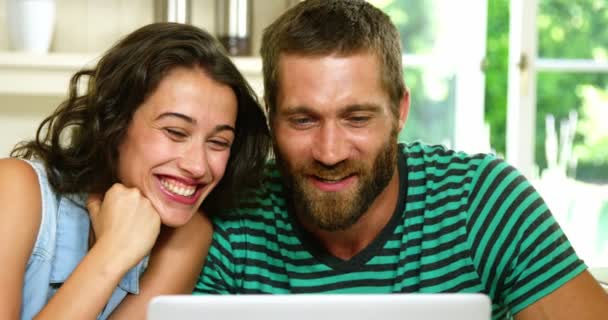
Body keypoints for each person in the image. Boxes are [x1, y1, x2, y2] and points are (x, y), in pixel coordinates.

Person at [194, 0, 608, 319]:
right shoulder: (234, 218)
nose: (330, 152)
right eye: (303, 120)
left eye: (357, 118)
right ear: (270, 116)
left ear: (400, 111)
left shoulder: (481, 201)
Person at [0, 22, 270, 319]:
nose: (197, 166)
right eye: (175, 132)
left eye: (219, 142)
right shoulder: (14, 188)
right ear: (114, 122)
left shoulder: (188, 237)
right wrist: (113, 251)